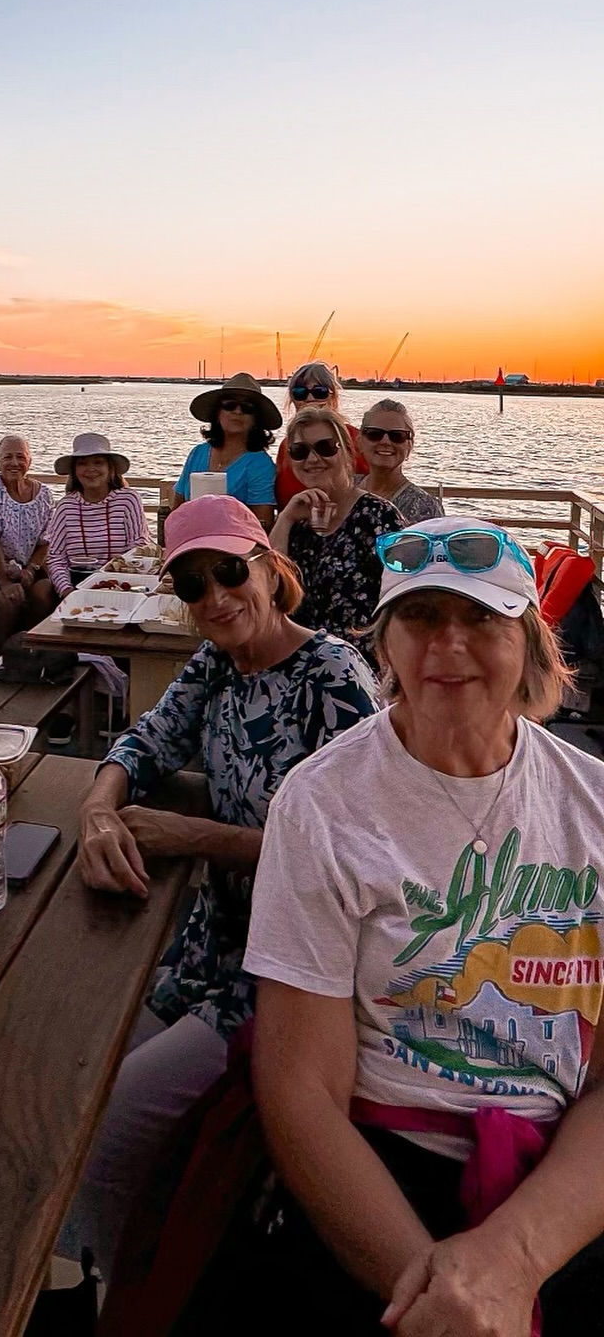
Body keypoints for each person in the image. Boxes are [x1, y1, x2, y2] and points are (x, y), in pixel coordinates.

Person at [243, 518, 604, 1332]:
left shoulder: (593, 804)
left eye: (481, 617)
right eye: (421, 616)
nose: (449, 642)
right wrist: (436, 1301)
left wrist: (511, 1261)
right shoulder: (323, 806)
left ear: (530, 641)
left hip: (566, 1169)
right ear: (387, 645)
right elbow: (301, 1091)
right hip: (391, 1162)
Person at [67, 497, 380, 1271]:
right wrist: (98, 811)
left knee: (110, 1119)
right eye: (193, 584)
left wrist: (197, 836)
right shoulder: (218, 662)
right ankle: (102, 1247)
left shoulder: (332, 676)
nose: (215, 597)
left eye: (230, 572)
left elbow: (361, 854)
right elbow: (145, 738)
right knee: (81, 1071)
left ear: (271, 569)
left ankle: (112, 1288)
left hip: (288, 973)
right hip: (208, 940)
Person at [270, 407, 403, 646]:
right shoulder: (297, 521)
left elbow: (402, 599)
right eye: (300, 451)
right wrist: (285, 519)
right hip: (300, 662)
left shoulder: (377, 517)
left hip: (360, 666)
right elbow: (271, 592)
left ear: (347, 452)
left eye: (325, 447)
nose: (312, 459)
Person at [0, 435, 56, 678]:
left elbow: (45, 542)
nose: (14, 462)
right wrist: (6, 583)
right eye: (7, 457)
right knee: (8, 601)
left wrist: (30, 569)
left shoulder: (44, 495)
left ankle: (29, 657)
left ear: (29, 461)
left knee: (44, 593)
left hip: (28, 564)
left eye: (20, 456)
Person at [171, 372, 280, 526]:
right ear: (217, 413)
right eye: (229, 405)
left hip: (238, 547)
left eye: (247, 408)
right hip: (189, 542)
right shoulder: (198, 453)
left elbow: (262, 524)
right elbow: (178, 506)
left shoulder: (260, 465)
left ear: (256, 419)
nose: (237, 411)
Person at [45, 434, 148, 596]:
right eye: (82, 463)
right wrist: (67, 591)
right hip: (76, 586)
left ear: (110, 468)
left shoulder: (129, 499)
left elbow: (138, 546)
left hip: (121, 585)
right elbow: (56, 557)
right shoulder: (66, 506)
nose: (90, 469)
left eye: (98, 462)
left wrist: (116, 582)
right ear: (74, 471)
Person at [273, 362, 366, 506]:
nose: (310, 399)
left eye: (319, 392)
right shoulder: (286, 446)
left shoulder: (354, 438)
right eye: (300, 393)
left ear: (333, 396)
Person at [358, 398, 445, 522]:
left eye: (397, 436)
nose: (385, 441)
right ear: (360, 441)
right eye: (375, 434)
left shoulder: (425, 507)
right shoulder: (344, 490)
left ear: (410, 445)